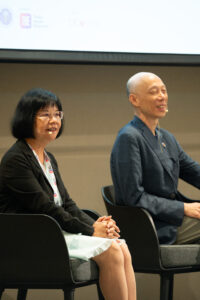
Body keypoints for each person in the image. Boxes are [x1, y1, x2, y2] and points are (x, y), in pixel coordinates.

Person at [0, 88, 136, 300]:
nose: (53, 120)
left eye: (57, 114)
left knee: (121, 245)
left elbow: (68, 204)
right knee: (111, 251)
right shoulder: (16, 160)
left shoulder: (48, 157)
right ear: (27, 118)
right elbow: (46, 208)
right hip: (31, 238)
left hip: (52, 232)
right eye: (45, 114)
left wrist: (95, 226)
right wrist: (92, 231)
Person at [111, 71, 200, 245]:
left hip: (170, 219)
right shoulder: (129, 138)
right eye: (153, 92)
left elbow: (193, 171)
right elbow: (133, 197)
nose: (162, 97)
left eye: (164, 91)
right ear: (134, 100)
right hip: (153, 224)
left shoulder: (167, 137)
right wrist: (182, 208)